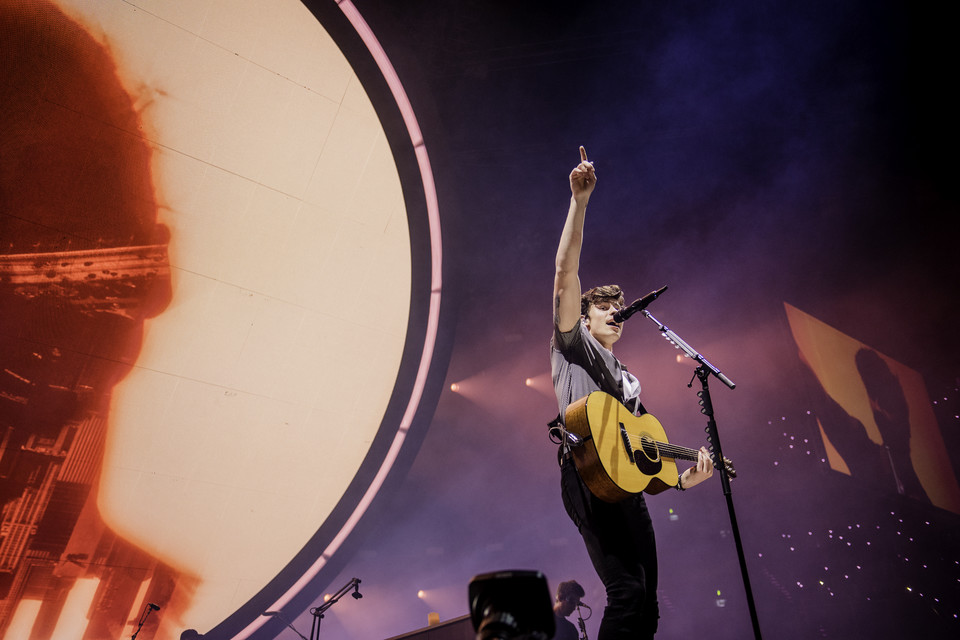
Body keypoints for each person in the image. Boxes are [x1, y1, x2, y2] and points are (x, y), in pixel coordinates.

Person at [550, 146, 714, 639]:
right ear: (585, 317)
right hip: (586, 471)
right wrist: (579, 203)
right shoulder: (571, 341)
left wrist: (685, 480)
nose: (617, 315)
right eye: (606, 309)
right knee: (627, 592)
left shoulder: (629, 380)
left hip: (627, 486)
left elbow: (645, 456)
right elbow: (564, 273)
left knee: (649, 608)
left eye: (621, 310)